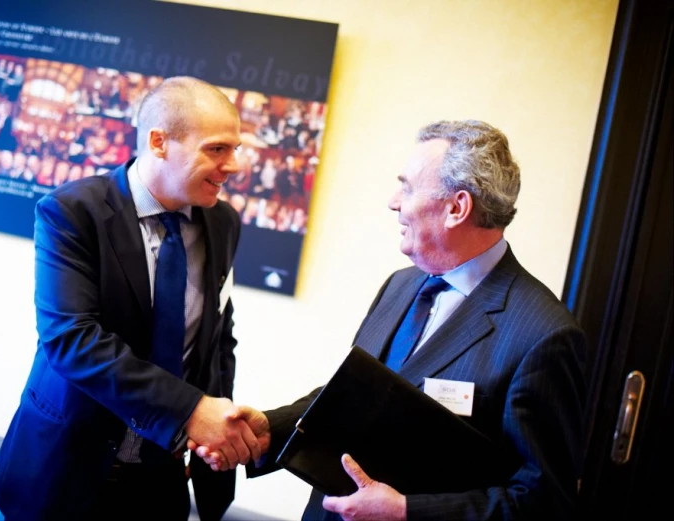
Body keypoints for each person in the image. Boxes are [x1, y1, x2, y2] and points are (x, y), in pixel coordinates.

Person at [193, 120, 587, 521]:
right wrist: (268, 431)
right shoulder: (402, 285)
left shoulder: (544, 335)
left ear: (457, 208)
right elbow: (352, 398)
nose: (394, 201)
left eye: (409, 187)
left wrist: (406, 512)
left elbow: (543, 503)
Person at [0, 76, 264, 521]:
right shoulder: (72, 212)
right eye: (217, 149)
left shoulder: (223, 222)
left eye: (235, 149)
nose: (234, 164)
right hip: (64, 474)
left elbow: (217, 339)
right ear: (159, 142)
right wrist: (191, 410)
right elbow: (71, 340)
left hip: (161, 482)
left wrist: (218, 427)